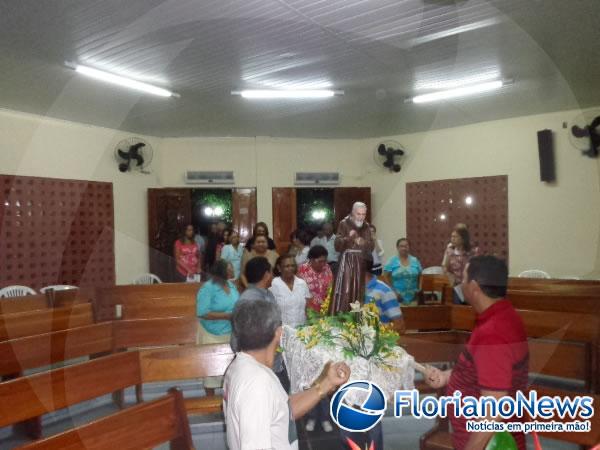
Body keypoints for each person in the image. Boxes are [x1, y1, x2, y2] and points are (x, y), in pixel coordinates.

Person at [424, 256, 528, 450]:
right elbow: (483, 370)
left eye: (463, 278)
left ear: (473, 287)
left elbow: (494, 408)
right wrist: (447, 377)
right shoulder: (501, 316)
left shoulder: (494, 334)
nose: (460, 284)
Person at [224, 298, 350, 450]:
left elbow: (281, 411)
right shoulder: (257, 384)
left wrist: (327, 382)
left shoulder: (243, 367)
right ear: (279, 332)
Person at [196, 259, 240, 395]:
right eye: (230, 268)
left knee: (230, 368)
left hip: (229, 332)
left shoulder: (232, 286)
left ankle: (228, 398)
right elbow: (202, 312)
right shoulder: (208, 288)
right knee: (210, 369)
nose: (233, 270)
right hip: (211, 333)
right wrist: (227, 316)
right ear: (221, 271)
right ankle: (209, 398)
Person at [332, 202, 374, 314]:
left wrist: (362, 242)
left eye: (363, 214)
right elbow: (337, 246)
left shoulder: (367, 226)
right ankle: (342, 314)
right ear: (352, 213)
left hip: (360, 262)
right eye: (358, 214)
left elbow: (371, 246)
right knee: (346, 289)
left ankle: (356, 316)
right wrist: (348, 238)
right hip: (347, 261)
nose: (361, 217)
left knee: (358, 290)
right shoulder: (344, 223)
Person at [269, 255, 312, 329]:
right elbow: (270, 312)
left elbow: (307, 308)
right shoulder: (273, 285)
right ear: (279, 268)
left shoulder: (302, 283)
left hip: (302, 330)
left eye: (292, 266)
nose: (290, 268)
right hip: (282, 330)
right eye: (287, 266)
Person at [364, 259, 405, 334]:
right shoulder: (353, 290)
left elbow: (400, 326)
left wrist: (372, 332)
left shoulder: (384, 291)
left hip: (377, 341)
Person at [383, 238, 423, 306]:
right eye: (401, 246)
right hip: (398, 297)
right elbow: (385, 276)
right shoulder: (392, 261)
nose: (404, 248)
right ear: (397, 248)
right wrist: (393, 291)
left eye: (406, 246)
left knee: (414, 315)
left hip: (414, 297)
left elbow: (420, 275)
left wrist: (419, 288)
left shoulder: (415, 260)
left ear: (409, 247)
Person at [297, 245, 334, 313]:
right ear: (311, 259)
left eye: (325, 261)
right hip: (308, 310)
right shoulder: (302, 270)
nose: (323, 264)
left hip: (325, 308)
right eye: (320, 261)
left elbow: (331, 286)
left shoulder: (327, 268)